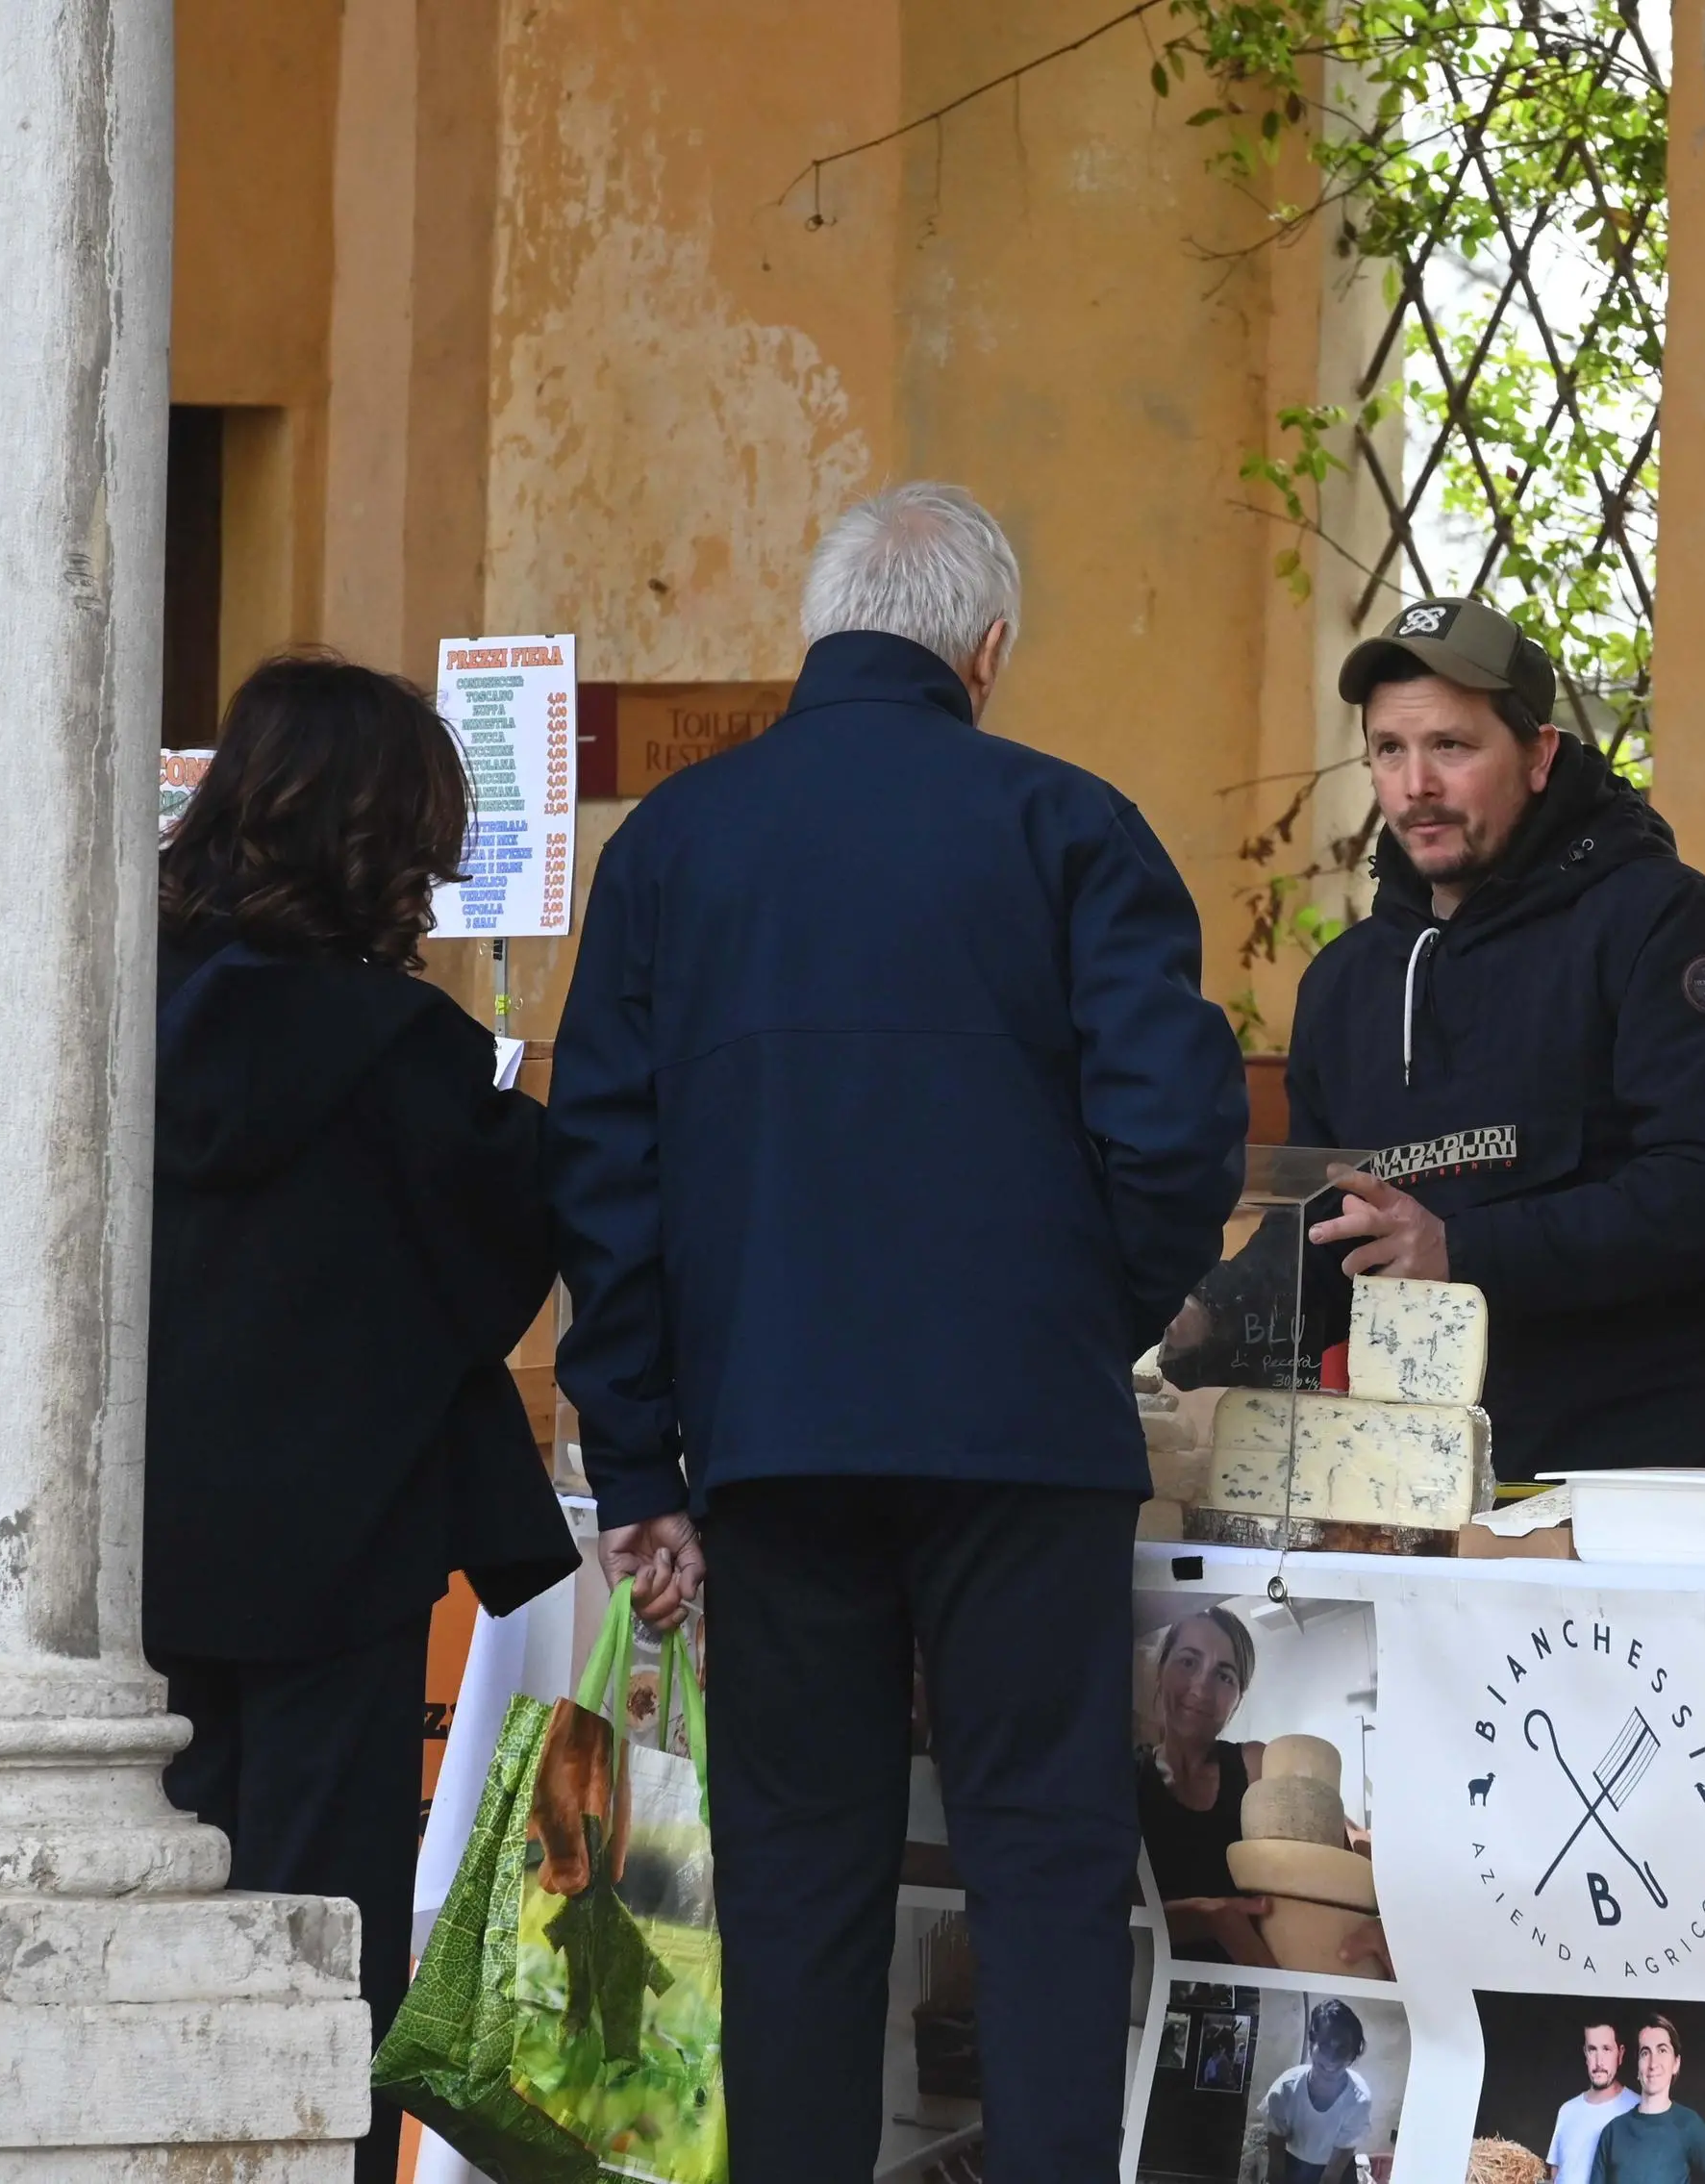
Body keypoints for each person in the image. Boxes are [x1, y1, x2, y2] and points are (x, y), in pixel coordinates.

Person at [547, 482, 1249, 2181]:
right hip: (1022, 1442)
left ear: (818, 633)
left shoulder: (673, 850)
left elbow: (604, 1170)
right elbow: (1172, 1136)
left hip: (772, 1440)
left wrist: (639, 1451)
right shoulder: (1069, 828)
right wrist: (1081, 1316)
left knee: (796, 1867)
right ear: (984, 650)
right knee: (1045, 1861)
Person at [147, 652, 579, 2184]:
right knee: (318, 1951)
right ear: (373, 841)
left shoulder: (99, 1014)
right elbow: (493, 1254)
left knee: (132, 1940)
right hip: (337, 1572)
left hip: (127, 1568)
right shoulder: (399, 1055)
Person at [1164, 597, 1705, 1477]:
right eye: (1390, 749)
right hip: (1415, 1490)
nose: (1416, 784)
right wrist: (1194, 1319)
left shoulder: (1667, 925)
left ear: (1539, 756)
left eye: (1451, 747)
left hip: (1651, 1485)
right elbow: (1321, 1231)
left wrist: (1461, 1252)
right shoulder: (1345, 983)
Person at [1136, 1605, 1277, 1963]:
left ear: (1237, 1701)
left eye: (1224, 1676)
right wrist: (1207, 1919)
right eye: (1188, 1662)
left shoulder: (1257, 1766)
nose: (1201, 1686)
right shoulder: (1122, 1782)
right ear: (1160, 1671)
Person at [1591, 2015, 1705, 2184]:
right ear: (1638, 2067)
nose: (1653, 2063)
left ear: (1676, 2063)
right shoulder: (1612, 2132)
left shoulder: (1688, 2124)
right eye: (1645, 2052)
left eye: (1662, 2050)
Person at [1260, 1998, 1379, 2184]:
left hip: (1336, 2171)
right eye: (1324, 2045)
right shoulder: (1284, 2092)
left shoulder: (1358, 2101)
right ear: (1311, 2044)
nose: (1332, 2059)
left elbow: (1331, 2177)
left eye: (1342, 2048)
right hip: (1292, 2164)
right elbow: (1275, 2168)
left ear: (1353, 2053)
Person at [1548, 2016, 1641, 2184]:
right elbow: (1556, 2174)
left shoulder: (1638, 2109)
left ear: (1620, 2054)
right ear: (1585, 2053)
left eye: (1606, 2049)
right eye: (1592, 2049)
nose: (1599, 2062)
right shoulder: (1567, 2110)